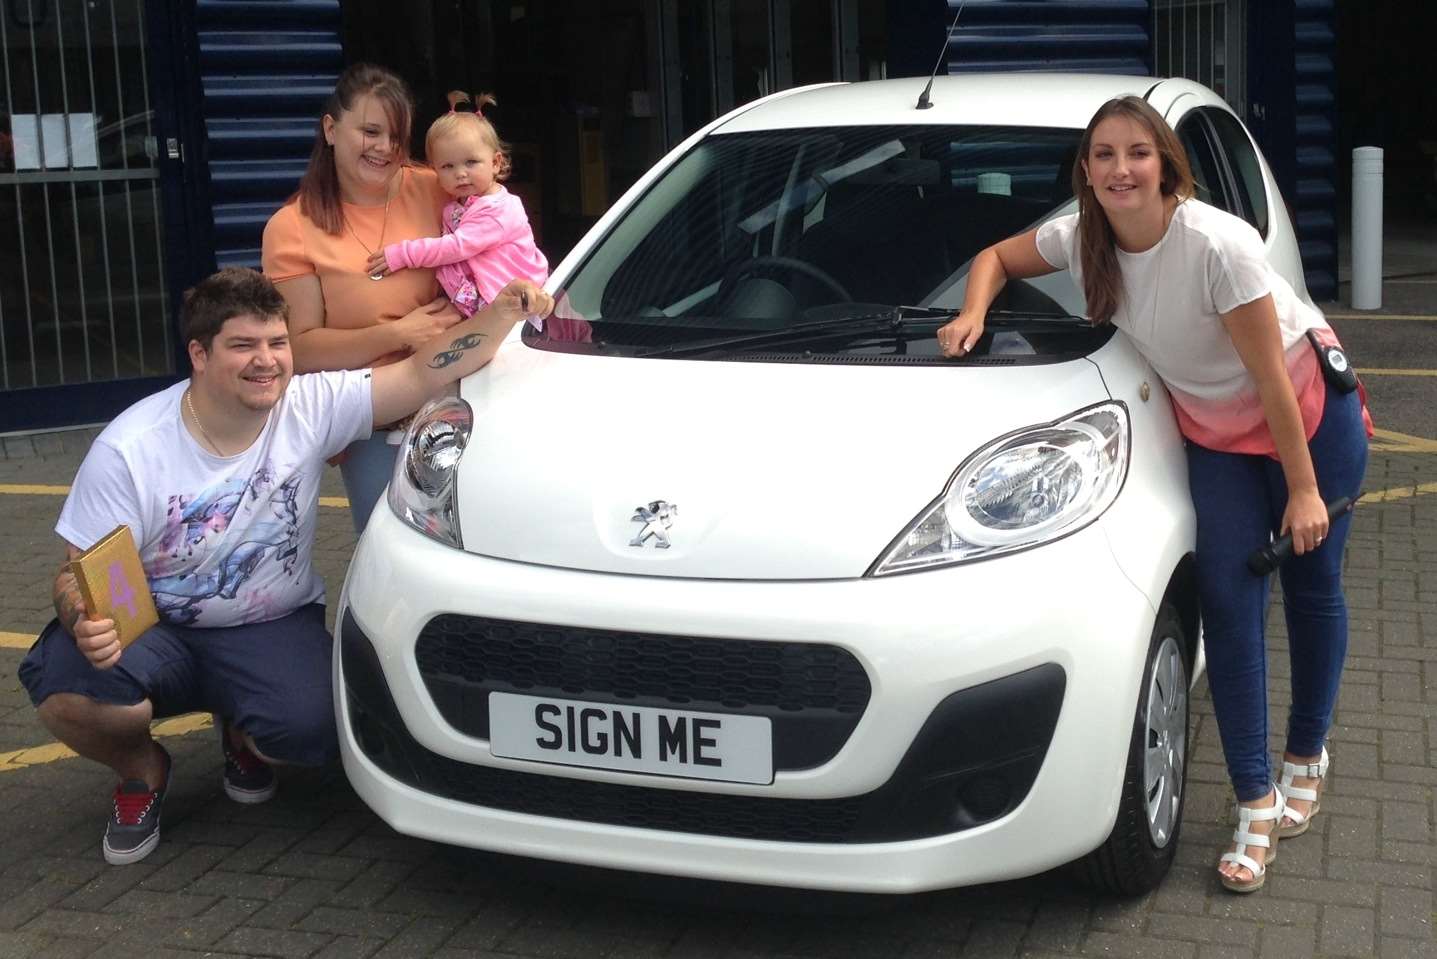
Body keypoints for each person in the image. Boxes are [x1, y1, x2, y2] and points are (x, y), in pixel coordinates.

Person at [936, 96, 1371, 894]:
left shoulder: (1217, 245)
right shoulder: (1081, 235)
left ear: (1166, 166)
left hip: (1306, 420)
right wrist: (970, 313)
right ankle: (1254, 799)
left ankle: (1307, 750)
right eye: (1102, 155)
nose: (1118, 169)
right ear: (1086, 172)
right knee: (1230, 608)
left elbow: (1270, 378)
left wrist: (1303, 491)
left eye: (1136, 152)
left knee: (1312, 588)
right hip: (1217, 438)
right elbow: (995, 257)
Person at [19, 266, 552, 865]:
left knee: (318, 733)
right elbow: (77, 572)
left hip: (267, 624)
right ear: (198, 353)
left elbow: (422, 370)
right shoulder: (131, 447)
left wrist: (503, 314)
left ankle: (244, 732)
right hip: (155, 629)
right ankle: (142, 770)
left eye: (276, 343)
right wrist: (83, 616)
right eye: (242, 346)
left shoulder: (310, 404)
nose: (266, 361)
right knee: (70, 692)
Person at [262, 63, 459, 535]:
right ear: (331, 129)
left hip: (461, 393)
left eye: (396, 136)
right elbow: (301, 347)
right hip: (375, 417)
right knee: (388, 543)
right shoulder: (292, 227)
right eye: (370, 131)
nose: (385, 148)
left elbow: (501, 238)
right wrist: (395, 333)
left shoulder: (435, 186)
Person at [367, 90, 549, 322]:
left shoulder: (499, 210)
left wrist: (404, 254)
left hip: (512, 311)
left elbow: (457, 247)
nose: (460, 173)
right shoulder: (458, 205)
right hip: (486, 309)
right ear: (434, 170)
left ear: (495, 163)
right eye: (447, 166)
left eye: (471, 162)